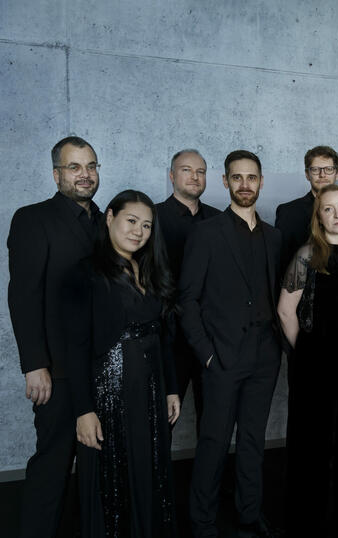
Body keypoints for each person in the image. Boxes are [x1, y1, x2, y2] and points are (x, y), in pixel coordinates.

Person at [179, 150, 283, 537]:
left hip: (265, 355)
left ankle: (248, 514)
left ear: (260, 182)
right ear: (225, 182)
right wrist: (206, 353)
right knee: (213, 440)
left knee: (253, 440)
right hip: (221, 355)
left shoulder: (274, 237)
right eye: (236, 178)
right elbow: (186, 299)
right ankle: (203, 522)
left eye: (251, 177)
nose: (244, 185)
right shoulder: (205, 233)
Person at [67, 190, 180, 537]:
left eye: (146, 225)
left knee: (150, 467)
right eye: (132, 221)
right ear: (110, 216)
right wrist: (83, 411)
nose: (139, 231)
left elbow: (163, 336)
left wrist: (172, 389)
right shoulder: (86, 273)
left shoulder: (151, 268)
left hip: (150, 386)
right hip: (110, 391)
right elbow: (74, 348)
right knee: (112, 476)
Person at [7, 136, 102, 538]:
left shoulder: (108, 219)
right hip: (58, 370)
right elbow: (23, 296)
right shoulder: (33, 218)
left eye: (91, 166)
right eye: (75, 167)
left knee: (99, 465)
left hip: (103, 365)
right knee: (53, 463)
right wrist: (35, 365)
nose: (85, 175)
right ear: (56, 174)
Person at [277, 184, 338, 537]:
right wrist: (305, 352)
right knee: (313, 445)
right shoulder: (307, 255)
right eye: (328, 209)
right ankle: (310, 523)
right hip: (314, 362)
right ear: (318, 216)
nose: (336, 214)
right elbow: (285, 312)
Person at [156, 149, 220, 435]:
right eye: (186, 170)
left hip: (210, 336)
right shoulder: (152, 218)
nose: (194, 177)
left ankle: (210, 481)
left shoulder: (220, 220)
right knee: (161, 421)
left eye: (201, 172)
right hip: (167, 336)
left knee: (213, 419)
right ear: (172, 176)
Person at [275, 145, 338, 272]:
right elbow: (282, 262)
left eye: (328, 169)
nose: (322, 175)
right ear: (307, 174)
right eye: (315, 170)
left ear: (337, 174)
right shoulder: (288, 212)